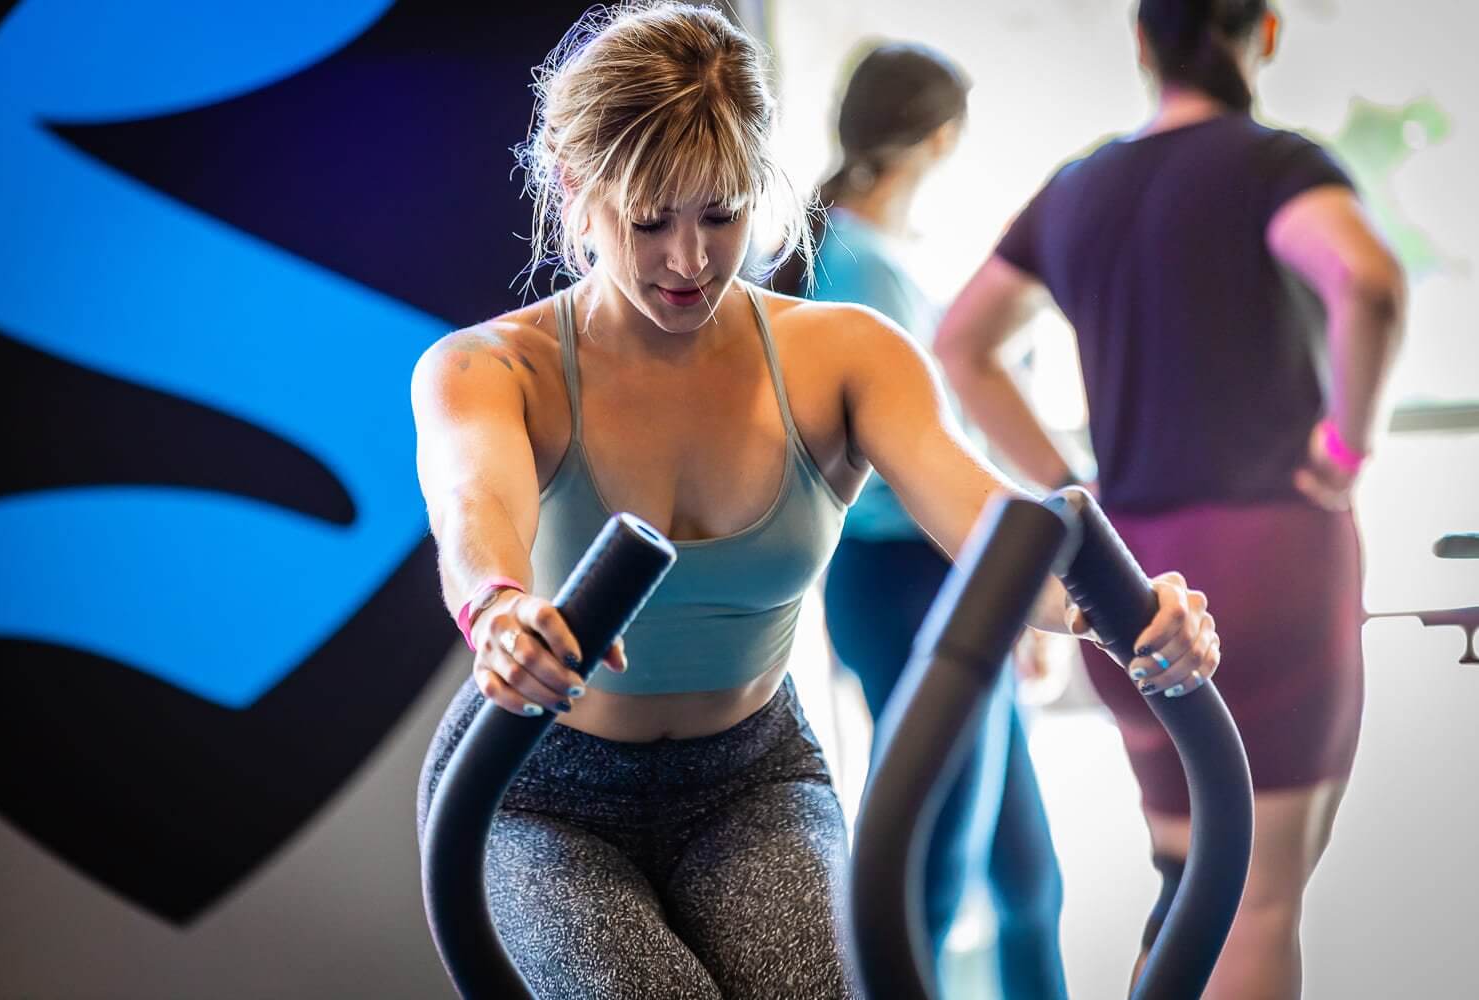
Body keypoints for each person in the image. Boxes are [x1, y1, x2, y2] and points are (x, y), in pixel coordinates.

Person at [411, 4, 1220, 998]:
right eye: (648, 218)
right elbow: (472, 506)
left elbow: (994, 528)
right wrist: (498, 608)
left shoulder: (846, 356)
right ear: (577, 193)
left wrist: (1126, 608)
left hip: (748, 776)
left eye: (720, 213)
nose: (689, 260)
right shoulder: (492, 367)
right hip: (539, 793)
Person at [933, 2, 1405, 997]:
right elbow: (1369, 285)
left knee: (1188, 888)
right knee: (1256, 903)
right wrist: (1345, 450)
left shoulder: (1079, 188)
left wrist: (1069, 482)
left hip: (1133, 574)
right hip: (1273, 564)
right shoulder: (1272, 164)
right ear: (1262, 34)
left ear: (1143, 43)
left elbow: (963, 344)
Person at [771, 43, 1067, 998]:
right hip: (910, 580)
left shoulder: (870, 260)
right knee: (930, 876)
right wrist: (1013, 592)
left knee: (1027, 877)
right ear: (940, 141)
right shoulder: (860, 273)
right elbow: (910, 479)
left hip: (935, 575)